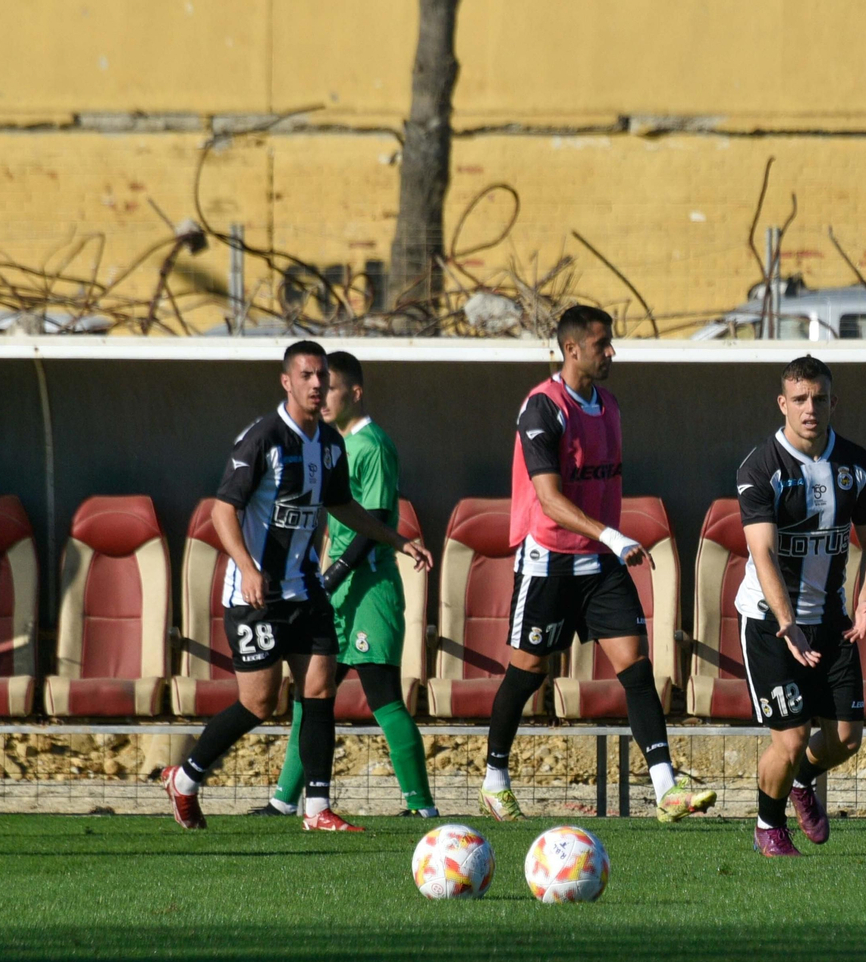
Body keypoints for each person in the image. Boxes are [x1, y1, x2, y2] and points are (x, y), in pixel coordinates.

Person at [161, 340, 433, 831]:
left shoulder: (330, 443)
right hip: (257, 595)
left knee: (320, 688)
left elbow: (343, 506)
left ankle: (316, 809)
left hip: (306, 590)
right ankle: (185, 779)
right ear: (287, 381)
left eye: (322, 377)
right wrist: (246, 567)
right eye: (306, 376)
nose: (316, 385)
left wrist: (398, 540)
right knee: (259, 703)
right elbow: (223, 511)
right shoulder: (263, 437)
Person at [480, 305, 716, 823]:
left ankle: (666, 790)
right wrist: (613, 534)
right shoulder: (543, 408)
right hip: (549, 564)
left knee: (636, 669)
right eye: (602, 343)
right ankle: (495, 777)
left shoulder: (608, 404)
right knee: (526, 674)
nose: (611, 352)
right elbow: (549, 499)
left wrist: (608, 543)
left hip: (600, 565)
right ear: (571, 350)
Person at [256, 350, 437, 818]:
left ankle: (421, 807)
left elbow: (374, 519)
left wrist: (332, 574)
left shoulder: (372, 445)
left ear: (355, 392)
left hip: (368, 591)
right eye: (318, 385)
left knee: (383, 697)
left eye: (332, 387)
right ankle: (283, 801)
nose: (323, 395)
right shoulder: (330, 445)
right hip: (333, 594)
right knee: (311, 696)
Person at [735, 356, 866, 856]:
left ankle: (801, 782)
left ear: (832, 402)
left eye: (819, 398)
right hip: (770, 623)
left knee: (846, 739)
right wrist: (788, 622)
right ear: (783, 404)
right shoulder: (761, 468)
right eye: (799, 399)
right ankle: (767, 825)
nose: (810, 408)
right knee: (793, 737)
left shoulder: (857, 465)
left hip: (831, 622)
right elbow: (762, 553)